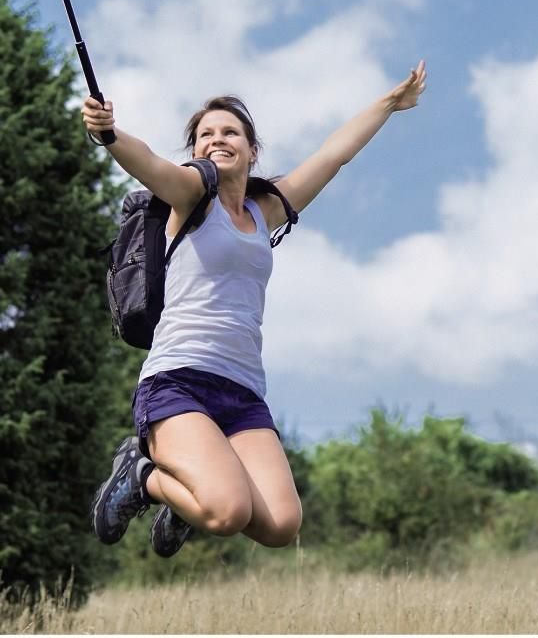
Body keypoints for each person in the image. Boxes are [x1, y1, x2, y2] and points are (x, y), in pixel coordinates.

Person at [84, 61, 427, 557]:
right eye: (205, 134)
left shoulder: (264, 211)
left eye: (230, 131)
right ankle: (145, 476)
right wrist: (109, 133)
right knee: (227, 512)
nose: (217, 139)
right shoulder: (189, 197)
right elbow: (147, 161)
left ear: (251, 149)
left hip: (242, 391)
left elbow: (333, 156)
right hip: (178, 380)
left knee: (281, 525)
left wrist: (389, 105)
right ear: (195, 150)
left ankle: (184, 500)